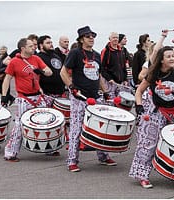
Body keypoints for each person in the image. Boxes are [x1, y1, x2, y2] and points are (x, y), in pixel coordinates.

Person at [129, 42, 174, 188]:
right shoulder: (153, 74)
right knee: (149, 143)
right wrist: (139, 106)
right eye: (168, 56)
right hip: (157, 112)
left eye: (173, 55)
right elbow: (139, 91)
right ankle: (142, 175)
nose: (172, 58)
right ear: (161, 59)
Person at [60, 25, 117, 172]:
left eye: (93, 36)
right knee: (76, 129)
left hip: (95, 97)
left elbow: (97, 75)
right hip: (79, 97)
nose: (91, 38)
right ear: (81, 39)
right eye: (88, 36)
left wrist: (105, 91)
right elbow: (63, 72)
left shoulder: (97, 55)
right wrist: (72, 87)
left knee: (100, 127)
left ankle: (103, 156)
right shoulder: (75, 53)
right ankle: (72, 160)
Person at [0, 38, 53, 162]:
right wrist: (4, 96)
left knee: (46, 122)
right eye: (30, 46)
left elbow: (49, 72)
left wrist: (41, 71)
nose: (34, 47)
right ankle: (10, 153)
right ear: (23, 48)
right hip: (24, 98)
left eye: (33, 46)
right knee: (19, 125)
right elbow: (7, 79)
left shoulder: (36, 59)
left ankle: (49, 148)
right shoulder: (14, 62)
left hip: (38, 96)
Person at [101, 32, 130, 100]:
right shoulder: (105, 51)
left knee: (121, 102)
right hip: (110, 82)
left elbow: (124, 67)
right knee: (110, 102)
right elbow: (102, 68)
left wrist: (125, 79)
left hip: (121, 82)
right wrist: (109, 79)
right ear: (109, 39)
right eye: (113, 37)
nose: (115, 39)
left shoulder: (121, 51)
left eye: (117, 37)